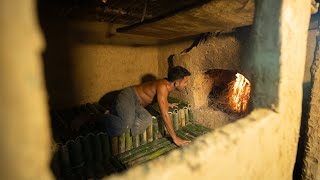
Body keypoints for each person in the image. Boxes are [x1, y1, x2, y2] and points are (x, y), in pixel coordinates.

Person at [105, 66, 192, 146]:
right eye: (185, 82)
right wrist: (175, 138)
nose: (186, 84)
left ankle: (122, 115)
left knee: (146, 118)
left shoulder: (168, 85)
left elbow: (160, 97)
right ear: (176, 83)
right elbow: (165, 115)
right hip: (128, 96)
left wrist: (167, 103)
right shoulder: (163, 86)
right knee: (124, 125)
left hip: (137, 104)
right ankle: (105, 117)